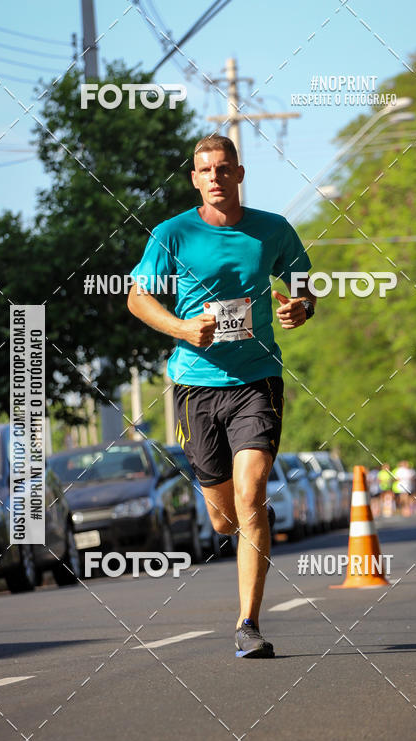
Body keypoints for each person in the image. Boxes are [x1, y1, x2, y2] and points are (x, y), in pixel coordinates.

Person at [127, 134, 315, 658]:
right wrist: (184, 329)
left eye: (222, 168)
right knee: (222, 518)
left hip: (256, 381)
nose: (214, 177)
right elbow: (137, 298)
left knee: (251, 492)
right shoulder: (172, 235)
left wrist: (300, 307)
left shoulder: (271, 231)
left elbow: (302, 285)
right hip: (195, 386)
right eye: (204, 170)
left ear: (238, 173)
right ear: (194, 178)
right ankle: (251, 520)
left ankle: (247, 624)